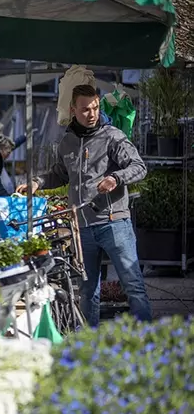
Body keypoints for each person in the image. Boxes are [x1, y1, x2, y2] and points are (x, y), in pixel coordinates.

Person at [17, 84, 152, 327]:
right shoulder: (67, 141)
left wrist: (116, 178)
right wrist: (37, 182)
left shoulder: (113, 136)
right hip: (82, 228)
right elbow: (60, 173)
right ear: (73, 109)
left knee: (133, 285)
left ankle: (147, 340)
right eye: (85, 109)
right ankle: (88, 344)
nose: (91, 114)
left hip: (114, 224)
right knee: (88, 290)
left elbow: (139, 167)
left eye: (95, 108)